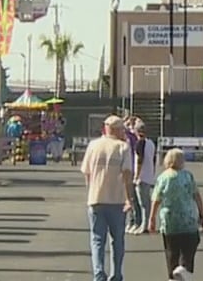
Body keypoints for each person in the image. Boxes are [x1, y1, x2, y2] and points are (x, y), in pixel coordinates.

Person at [80, 115, 134, 281]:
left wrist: (91, 190)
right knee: (117, 240)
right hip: (117, 200)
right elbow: (126, 173)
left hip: (96, 198)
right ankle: (116, 274)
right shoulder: (122, 147)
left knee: (97, 239)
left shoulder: (93, 145)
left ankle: (99, 274)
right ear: (118, 130)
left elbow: (86, 172)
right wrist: (129, 198)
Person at [149, 148, 203, 280]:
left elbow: (156, 199)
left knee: (171, 250)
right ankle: (184, 268)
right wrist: (201, 214)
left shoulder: (163, 177)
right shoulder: (187, 176)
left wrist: (151, 218)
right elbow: (196, 195)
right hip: (188, 218)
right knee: (191, 243)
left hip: (169, 219)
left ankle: (172, 275)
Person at [129, 121, 157, 234]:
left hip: (141, 176)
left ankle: (144, 226)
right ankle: (145, 224)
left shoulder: (139, 143)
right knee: (146, 202)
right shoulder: (151, 143)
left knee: (143, 203)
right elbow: (153, 160)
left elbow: (140, 160)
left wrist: (136, 176)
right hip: (149, 175)